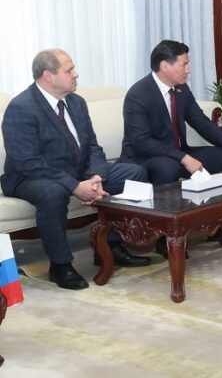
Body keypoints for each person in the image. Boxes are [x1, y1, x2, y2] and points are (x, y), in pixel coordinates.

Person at [1, 49, 150, 290]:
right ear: (48, 75)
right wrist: (74, 186)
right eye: (69, 70)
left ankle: (109, 247)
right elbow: (27, 162)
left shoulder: (76, 102)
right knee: (53, 192)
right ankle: (60, 266)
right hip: (29, 177)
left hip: (77, 171)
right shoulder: (22, 107)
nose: (76, 74)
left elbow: (92, 146)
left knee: (134, 173)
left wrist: (96, 177)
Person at [119, 40, 222, 251]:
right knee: (167, 167)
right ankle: (165, 240)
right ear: (164, 66)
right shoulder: (139, 94)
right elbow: (141, 142)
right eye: (184, 64)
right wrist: (183, 157)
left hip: (178, 153)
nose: (188, 70)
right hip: (145, 157)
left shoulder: (181, 89)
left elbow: (201, 122)